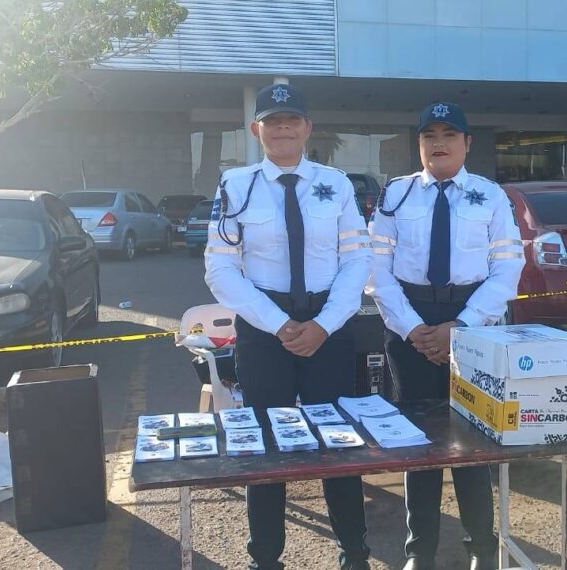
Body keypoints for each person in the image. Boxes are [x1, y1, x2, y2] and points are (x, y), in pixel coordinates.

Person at [204, 83, 372, 570]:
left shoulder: (336, 184)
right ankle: (266, 557)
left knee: (339, 441)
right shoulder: (234, 186)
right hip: (264, 326)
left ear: (307, 128)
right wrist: (280, 326)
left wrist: (323, 324)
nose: (282, 128)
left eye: (291, 119)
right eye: (272, 120)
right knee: (266, 445)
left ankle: (355, 552)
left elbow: (356, 259)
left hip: (329, 323)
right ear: (256, 129)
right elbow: (220, 269)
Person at [366, 101, 524, 570]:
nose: (439, 144)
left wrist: (463, 326)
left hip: (471, 322)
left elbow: (507, 268)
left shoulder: (491, 196)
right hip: (410, 324)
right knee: (420, 445)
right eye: (429, 135)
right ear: (419, 144)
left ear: (467, 143)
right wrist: (415, 329)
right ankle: (421, 553)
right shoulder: (395, 196)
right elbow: (378, 270)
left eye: (449, 135)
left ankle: (482, 550)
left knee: (474, 442)